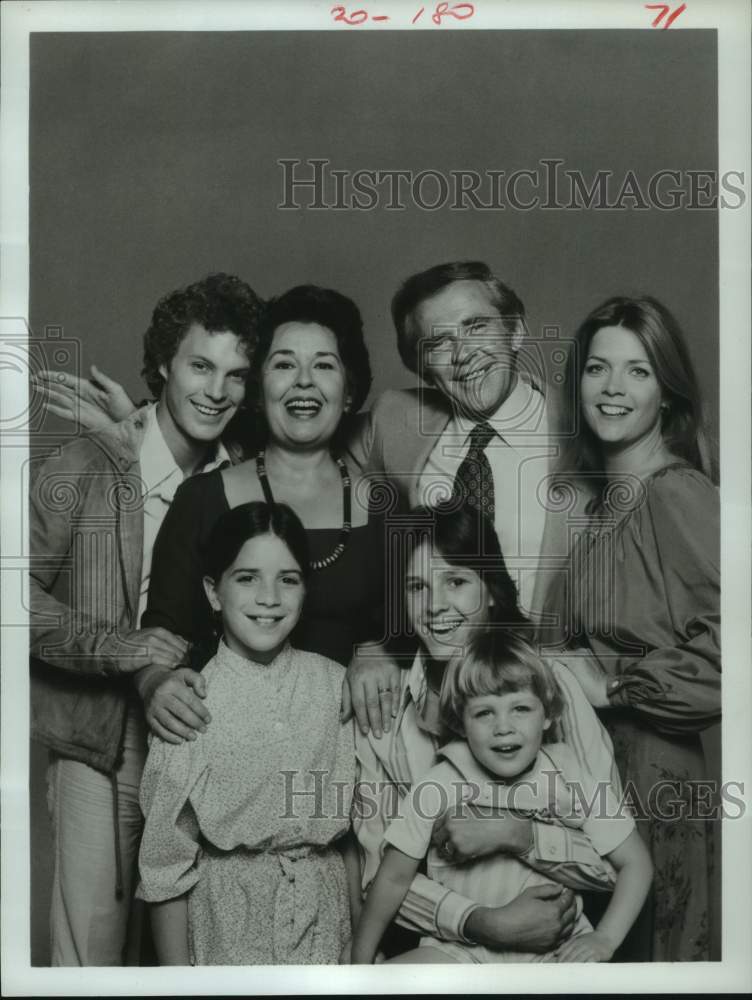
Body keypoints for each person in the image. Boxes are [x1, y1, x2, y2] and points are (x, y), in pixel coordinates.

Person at [29, 272, 261, 965]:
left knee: (194, 948)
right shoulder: (83, 466)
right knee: (94, 948)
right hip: (103, 739)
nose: (217, 391)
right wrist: (118, 646)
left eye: (236, 374)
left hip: (210, 737)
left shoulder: (245, 477)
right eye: (199, 366)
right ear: (163, 362)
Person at [351, 501, 625, 959]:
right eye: (417, 586)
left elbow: (614, 860)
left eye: (455, 581)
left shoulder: (552, 687)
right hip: (446, 951)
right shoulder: (384, 708)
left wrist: (520, 836)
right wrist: (480, 922)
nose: (435, 605)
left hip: (558, 945)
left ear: (492, 590)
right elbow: (377, 872)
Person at [544, 295, 720, 961]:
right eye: (598, 369)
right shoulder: (601, 513)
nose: (613, 389)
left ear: (668, 394)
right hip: (597, 778)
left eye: (638, 371)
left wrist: (618, 691)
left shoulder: (677, 495)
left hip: (655, 779)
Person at [343, 259, 569, 739]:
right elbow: (298, 455)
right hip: (431, 708)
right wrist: (374, 642)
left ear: (517, 331)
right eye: (440, 342)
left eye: (477, 326)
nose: (463, 353)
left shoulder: (584, 431)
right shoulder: (397, 419)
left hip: (550, 711)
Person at [137, 502, 360, 965]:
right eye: (246, 578)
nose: (269, 597)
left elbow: (355, 845)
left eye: (288, 579)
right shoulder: (188, 703)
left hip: (325, 920)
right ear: (213, 593)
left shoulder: (337, 685)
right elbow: (164, 869)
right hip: (228, 928)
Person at [351, 629, 653, 964]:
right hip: (459, 951)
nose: (503, 726)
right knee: (390, 982)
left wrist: (605, 938)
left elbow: (635, 864)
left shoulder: (572, 775)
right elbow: (392, 878)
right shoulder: (439, 783)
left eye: (520, 708)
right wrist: (361, 964)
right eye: (484, 713)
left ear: (549, 714)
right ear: (461, 722)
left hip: (557, 947)